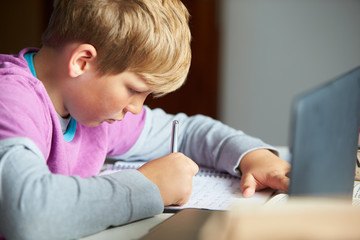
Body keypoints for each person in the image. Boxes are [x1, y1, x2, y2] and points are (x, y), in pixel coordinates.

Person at [0, 0, 290, 239]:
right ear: (82, 62)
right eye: (134, 90)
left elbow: (187, 132)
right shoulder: (11, 99)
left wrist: (252, 155)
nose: (137, 109)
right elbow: (26, 213)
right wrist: (147, 186)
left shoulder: (90, 108)